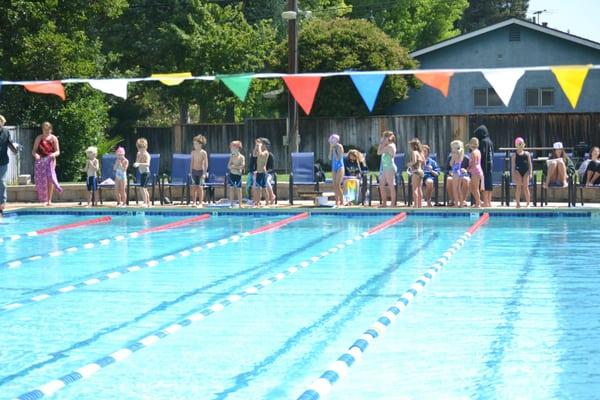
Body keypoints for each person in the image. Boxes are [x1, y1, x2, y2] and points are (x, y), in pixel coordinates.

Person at [32, 121, 63, 206]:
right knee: (41, 180)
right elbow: (34, 151)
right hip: (40, 162)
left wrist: (53, 154)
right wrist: (36, 155)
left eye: (47, 129)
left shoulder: (54, 138)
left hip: (50, 161)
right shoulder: (39, 138)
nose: (46, 131)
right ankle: (43, 200)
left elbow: (58, 151)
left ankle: (49, 200)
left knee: (50, 180)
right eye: (44, 129)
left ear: (50, 129)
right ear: (42, 129)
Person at [0, 115, 18, 214]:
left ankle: (1, 205)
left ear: (3, 123)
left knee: (1, 182)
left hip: (2, 161)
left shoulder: (6, 132)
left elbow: (9, 143)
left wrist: (15, 150)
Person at [474, 125, 494, 207]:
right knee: (489, 184)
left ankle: (485, 202)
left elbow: (482, 154)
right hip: (490, 166)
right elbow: (492, 153)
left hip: (484, 166)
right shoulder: (490, 141)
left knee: (484, 184)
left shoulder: (482, 142)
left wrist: (480, 167)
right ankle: (489, 202)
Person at [511, 137, 533, 208]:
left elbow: (530, 164)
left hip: (526, 171)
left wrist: (531, 173)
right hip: (518, 171)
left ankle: (528, 203)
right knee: (518, 187)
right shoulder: (514, 155)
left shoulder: (527, 154)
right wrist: (513, 174)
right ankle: (517, 203)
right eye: (519, 144)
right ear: (516, 145)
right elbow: (513, 166)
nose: (521, 146)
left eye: (522, 144)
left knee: (526, 187)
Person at [377, 130, 397, 207]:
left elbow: (379, 152)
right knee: (381, 184)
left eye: (384, 137)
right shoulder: (387, 145)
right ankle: (384, 203)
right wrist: (382, 143)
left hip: (390, 168)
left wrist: (382, 143)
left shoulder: (390, 146)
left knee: (390, 185)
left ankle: (392, 204)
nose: (382, 138)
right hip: (386, 168)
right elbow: (379, 152)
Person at [449, 140, 470, 208]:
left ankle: (456, 204)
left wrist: (452, 157)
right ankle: (461, 204)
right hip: (460, 173)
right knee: (459, 189)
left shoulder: (454, 154)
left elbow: (451, 164)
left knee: (455, 189)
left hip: (455, 173)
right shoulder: (461, 153)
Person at [190, 134, 208, 208]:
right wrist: (190, 172)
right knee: (194, 187)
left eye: (196, 144)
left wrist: (204, 173)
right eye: (194, 144)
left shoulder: (203, 152)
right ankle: (194, 202)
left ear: (200, 144)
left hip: (201, 172)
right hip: (194, 171)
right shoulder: (193, 152)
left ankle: (200, 203)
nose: (194, 145)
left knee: (200, 188)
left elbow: (206, 163)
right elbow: (191, 162)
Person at [133, 137, 151, 207]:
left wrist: (139, 164)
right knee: (144, 189)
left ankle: (145, 203)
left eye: (142, 148)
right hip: (142, 173)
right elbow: (137, 162)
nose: (140, 150)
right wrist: (137, 162)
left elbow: (148, 164)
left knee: (142, 188)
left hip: (146, 173)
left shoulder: (147, 155)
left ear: (145, 147)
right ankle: (148, 203)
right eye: (139, 148)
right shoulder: (138, 153)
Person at [407, 138, 424, 208]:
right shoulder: (421, 153)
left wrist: (408, 164)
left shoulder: (414, 152)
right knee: (419, 189)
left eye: (411, 146)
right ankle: (420, 205)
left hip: (416, 171)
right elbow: (424, 162)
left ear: (414, 146)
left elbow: (414, 161)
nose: (410, 147)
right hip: (421, 172)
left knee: (414, 189)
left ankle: (415, 205)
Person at [328, 134, 345, 207]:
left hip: (340, 167)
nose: (332, 142)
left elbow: (338, 158)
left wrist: (334, 149)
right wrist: (331, 149)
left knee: (338, 185)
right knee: (334, 185)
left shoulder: (340, 146)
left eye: (333, 140)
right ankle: (336, 201)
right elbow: (329, 158)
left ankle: (342, 201)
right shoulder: (332, 147)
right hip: (334, 167)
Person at [228, 140, 245, 208]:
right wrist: (237, 167)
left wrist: (234, 167)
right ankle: (231, 204)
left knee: (239, 189)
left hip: (238, 175)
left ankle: (240, 204)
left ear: (237, 148)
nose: (231, 149)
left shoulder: (241, 157)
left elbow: (243, 166)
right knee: (231, 189)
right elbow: (228, 166)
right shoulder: (232, 156)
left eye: (232, 147)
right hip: (232, 174)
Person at [467, 137, 484, 208]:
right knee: (471, 186)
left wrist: (468, 168)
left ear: (471, 145)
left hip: (475, 171)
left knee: (475, 188)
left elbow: (473, 163)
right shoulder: (478, 151)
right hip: (478, 171)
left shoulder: (473, 153)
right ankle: (479, 200)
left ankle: (478, 203)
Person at [253, 138, 269, 207]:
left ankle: (267, 203)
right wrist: (256, 147)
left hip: (263, 172)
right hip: (258, 172)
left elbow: (260, 155)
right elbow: (254, 155)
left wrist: (259, 147)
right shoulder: (260, 150)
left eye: (261, 144)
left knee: (264, 189)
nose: (260, 145)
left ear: (264, 145)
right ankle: (258, 202)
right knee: (258, 189)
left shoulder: (266, 152)